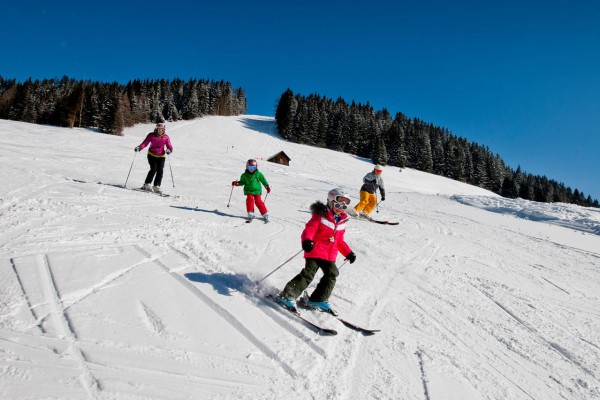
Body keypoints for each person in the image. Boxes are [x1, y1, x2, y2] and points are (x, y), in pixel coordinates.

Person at [276, 188, 357, 314]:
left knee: (332, 273)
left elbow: (339, 241)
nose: (339, 208)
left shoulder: (341, 222)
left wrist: (348, 253)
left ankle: (318, 299)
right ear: (330, 202)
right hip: (314, 251)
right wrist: (307, 240)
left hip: (329, 255)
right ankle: (287, 296)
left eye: (343, 206)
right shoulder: (320, 216)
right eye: (337, 204)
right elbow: (309, 229)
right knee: (308, 274)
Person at [135, 122, 173, 194]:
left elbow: (169, 145)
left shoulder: (166, 137)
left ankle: (156, 186)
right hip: (151, 154)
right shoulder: (151, 135)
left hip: (161, 156)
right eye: (158, 129)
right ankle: (147, 184)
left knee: (160, 170)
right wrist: (140, 147)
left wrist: (169, 150)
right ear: (156, 129)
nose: (160, 130)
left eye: (162, 129)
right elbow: (145, 143)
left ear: (164, 130)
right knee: (154, 169)